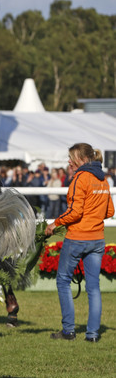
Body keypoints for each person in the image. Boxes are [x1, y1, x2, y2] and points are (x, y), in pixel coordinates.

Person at [45, 143, 114, 342]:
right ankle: (92, 334)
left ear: (81, 160)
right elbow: (110, 212)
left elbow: (75, 211)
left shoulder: (80, 178)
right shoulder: (104, 180)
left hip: (77, 238)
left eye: (71, 158)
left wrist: (55, 223)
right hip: (97, 239)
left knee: (63, 281)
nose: (69, 161)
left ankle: (68, 331)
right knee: (94, 288)